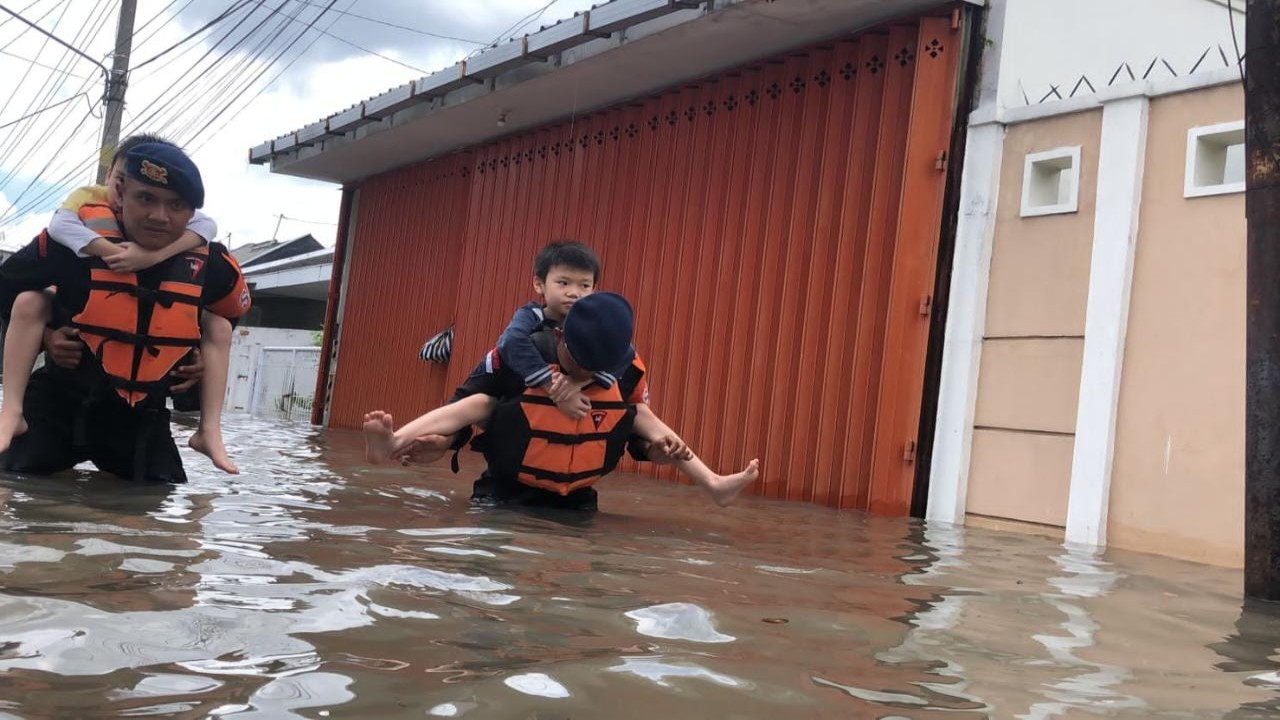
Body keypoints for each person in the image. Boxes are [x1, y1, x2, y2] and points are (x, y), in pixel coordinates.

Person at [364, 291, 758, 510]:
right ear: (559, 339)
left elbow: (631, 437)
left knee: (639, 411)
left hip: (578, 504)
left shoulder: (626, 368)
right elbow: (466, 402)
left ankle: (713, 483)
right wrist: (446, 442)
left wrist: (656, 451)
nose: (588, 376)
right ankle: (393, 441)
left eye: (598, 368)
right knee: (484, 402)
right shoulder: (520, 354)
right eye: (580, 364)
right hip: (503, 499)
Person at [0, 142, 251, 484]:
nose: (159, 216)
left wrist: (200, 357)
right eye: (145, 198)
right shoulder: (72, 244)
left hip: (140, 416)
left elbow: (229, 314)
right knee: (15, 491)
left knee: (159, 516)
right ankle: (11, 415)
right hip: (58, 405)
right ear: (119, 193)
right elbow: (6, 287)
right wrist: (47, 336)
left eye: (175, 205)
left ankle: (209, 433)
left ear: (191, 212)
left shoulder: (212, 264)